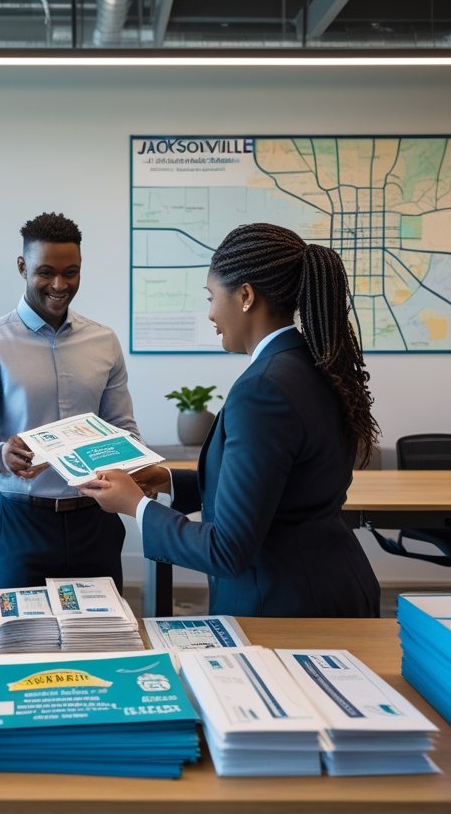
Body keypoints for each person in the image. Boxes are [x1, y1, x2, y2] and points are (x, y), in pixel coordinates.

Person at [79, 223, 382, 617]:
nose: (209, 314)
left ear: (244, 296)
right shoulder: (314, 364)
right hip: (332, 584)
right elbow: (279, 488)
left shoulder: (264, 389)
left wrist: (136, 506)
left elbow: (227, 550)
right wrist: (168, 480)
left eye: (211, 297)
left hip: (287, 605)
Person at [0, 212, 141, 590]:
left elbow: (126, 431)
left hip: (97, 520)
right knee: (20, 644)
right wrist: (0, 457)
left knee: (101, 642)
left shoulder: (103, 341)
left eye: (71, 272)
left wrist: (130, 457)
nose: (59, 285)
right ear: (22, 266)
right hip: (22, 524)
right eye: (46, 272)